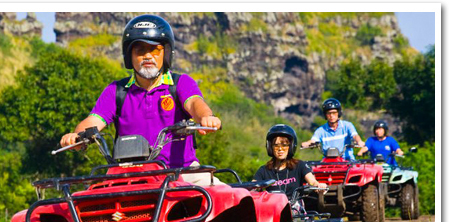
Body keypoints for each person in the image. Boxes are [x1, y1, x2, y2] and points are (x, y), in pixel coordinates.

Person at [60, 14, 222, 182]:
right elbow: (93, 121)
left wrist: (205, 117)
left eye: (155, 50)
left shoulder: (180, 83)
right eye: (140, 50)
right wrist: (77, 136)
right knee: (88, 203)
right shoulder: (116, 90)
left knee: (218, 196)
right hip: (128, 176)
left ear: (166, 54)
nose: (147, 56)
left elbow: (195, 103)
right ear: (129, 55)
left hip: (183, 173)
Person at [253, 124, 327, 199]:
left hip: (295, 207)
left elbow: (312, 182)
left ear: (291, 147)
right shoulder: (264, 170)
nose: (280, 149)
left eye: (284, 145)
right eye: (276, 145)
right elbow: (253, 186)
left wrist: (319, 186)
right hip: (274, 208)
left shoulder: (299, 165)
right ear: (270, 147)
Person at [301, 98, 365, 160]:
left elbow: (354, 135)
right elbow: (313, 140)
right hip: (328, 162)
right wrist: (307, 143)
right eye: (329, 113)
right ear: (325, 115)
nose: (331, 116)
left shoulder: (347, 125)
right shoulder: (321, 130)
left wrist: (359, 141)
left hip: (347, 160)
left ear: (339, 113)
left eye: (334, 113)